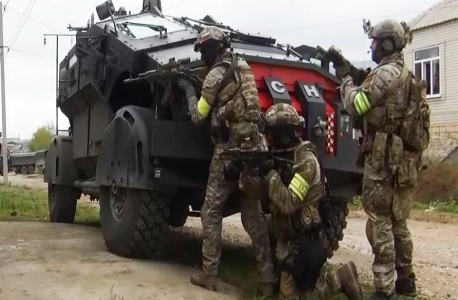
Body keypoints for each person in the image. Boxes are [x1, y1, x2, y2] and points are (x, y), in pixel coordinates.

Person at [176, 26, 275, 296]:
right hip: (255, 146)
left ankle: (210, 274)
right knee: (253, 215)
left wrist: (187, 89)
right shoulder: (243, 66)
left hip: (230, 149)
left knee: (210, 211)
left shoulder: (215, 75)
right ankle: (267, 279)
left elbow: (198, 117)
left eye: (203, 50)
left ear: (209, 50)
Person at [337, 19, 430, 300]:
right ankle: (406, 282)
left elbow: (357, 104)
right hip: (404, 164)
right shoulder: (406, 75)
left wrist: (346, 81)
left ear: (388, 43)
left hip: (384, 162)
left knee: (379, 223)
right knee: (398, 223)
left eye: (375, 41)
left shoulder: (385, 75)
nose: (372, 46)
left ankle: (385, 290)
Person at [261, 103, 363, 300]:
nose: (268, 140)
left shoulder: (306, 161)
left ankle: (341, 278)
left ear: (282, 135)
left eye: (271, 134)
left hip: (307, 238)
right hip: (291, 235)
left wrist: (270, 174)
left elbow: (289, 203)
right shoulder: (286, 157)